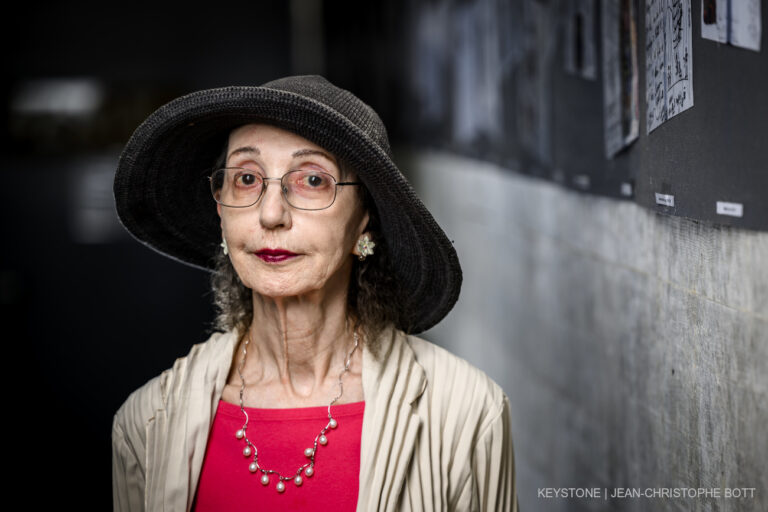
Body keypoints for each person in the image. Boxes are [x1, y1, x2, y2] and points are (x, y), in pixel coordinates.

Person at [112, 75, 518, 511]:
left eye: (312, 180)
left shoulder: (466, 412)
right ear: (220, 208)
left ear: (364, 218)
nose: (270, 214)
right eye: (246, 178)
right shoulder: (148, 423)